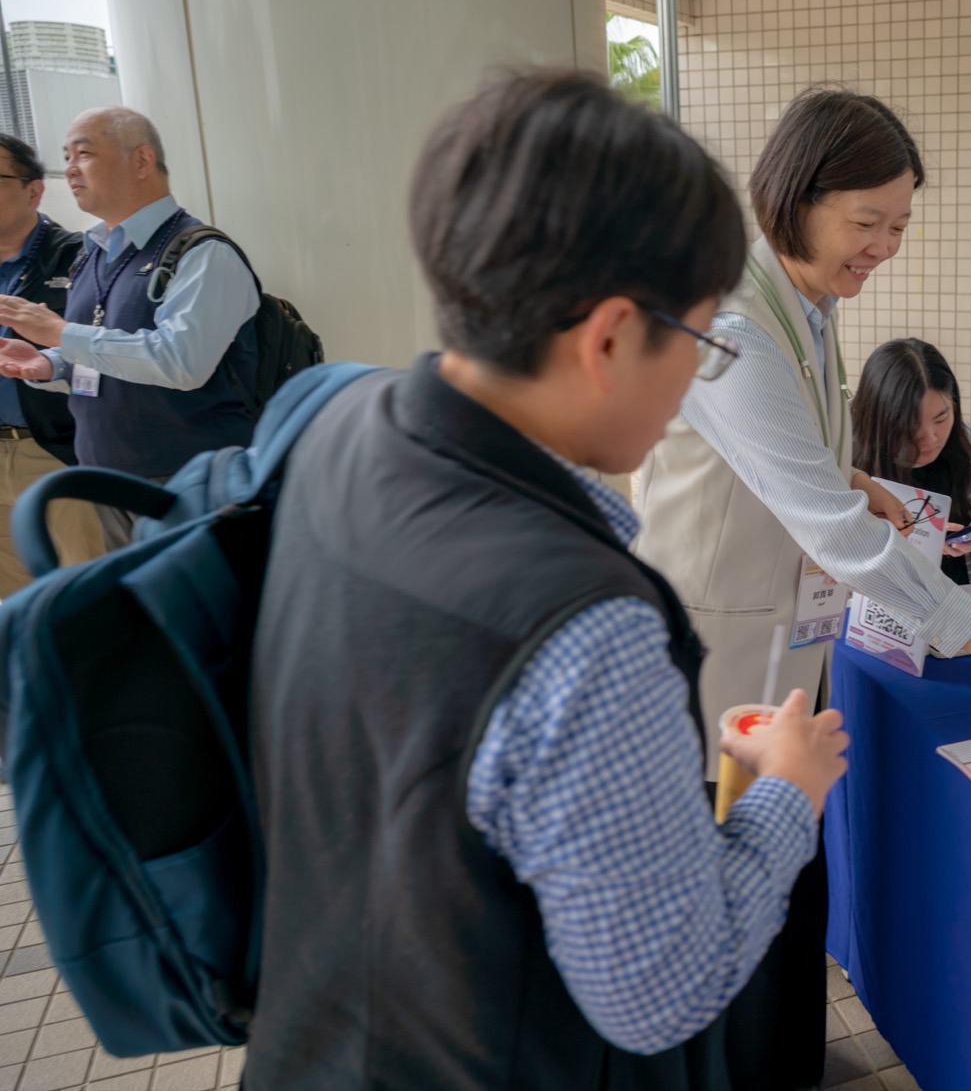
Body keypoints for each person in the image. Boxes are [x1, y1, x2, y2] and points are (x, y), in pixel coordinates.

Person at [243, 70, 849, 1089]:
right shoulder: (589, 625)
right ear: (608, 337)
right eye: (700, 341)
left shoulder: (335, 430)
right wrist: (784, 790)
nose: (697, 381)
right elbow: (661, 985)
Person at [634, 87, 971, 1090]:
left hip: (782, 647)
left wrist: (848, 473)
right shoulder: (735, 321)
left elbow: (787, 455)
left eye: (900, 224)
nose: (884, 246)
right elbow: (832, 529)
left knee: (787, 878)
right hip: (716, 662)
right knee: (735, 895)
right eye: (867, 222)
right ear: (797, 198)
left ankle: (785, 1060)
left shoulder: (806, 303)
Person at [0, 107, 259, 550]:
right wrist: (51, 364)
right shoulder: (94, 254)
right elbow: (104, 353)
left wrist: (61, 335)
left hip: (188, 482)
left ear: (141, 161)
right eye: (66, 156)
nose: (71, 169)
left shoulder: (201, 252)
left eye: (84, 154)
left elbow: (181, 362)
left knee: (194, 596)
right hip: (108, 476)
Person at [0, 133, 102, 590]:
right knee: (17, 606)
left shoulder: (83, 258)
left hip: (57, 453)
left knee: (86, 596)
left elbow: (112, 359)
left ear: (34, 190)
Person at [851, 337, 971, 584]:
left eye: (941, 419)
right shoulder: (841, 443)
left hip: (960, 597)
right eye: (910, 425)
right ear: (878, 417)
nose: (930, 438)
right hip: (867, 599)